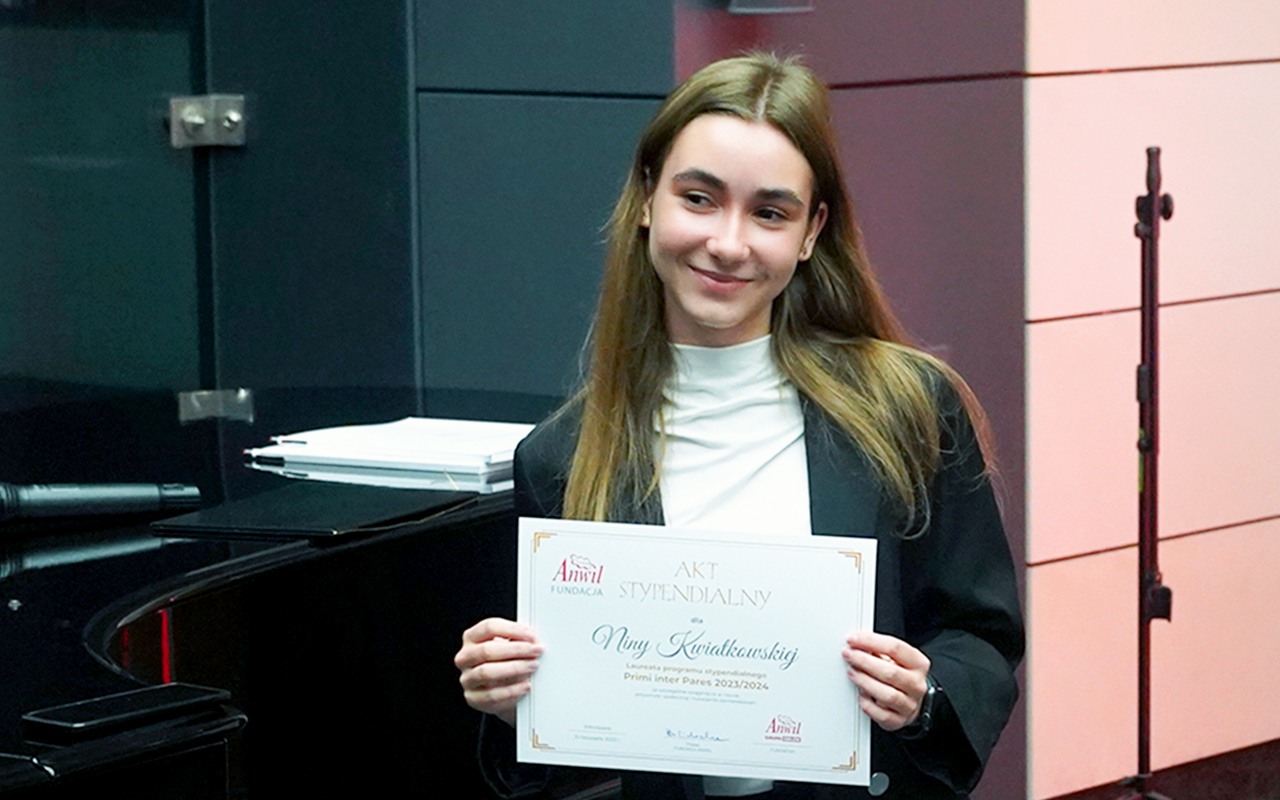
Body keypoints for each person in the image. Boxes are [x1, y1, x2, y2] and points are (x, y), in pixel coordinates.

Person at [454, 52, 1023, 800]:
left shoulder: (907, 407)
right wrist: (512, 701)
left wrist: (926, 696)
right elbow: (570, 745)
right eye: (699, 199)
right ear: (647, 198)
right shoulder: (562, 456)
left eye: (770, 213)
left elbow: (981, 634)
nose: (728, 243)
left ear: (812, 232)